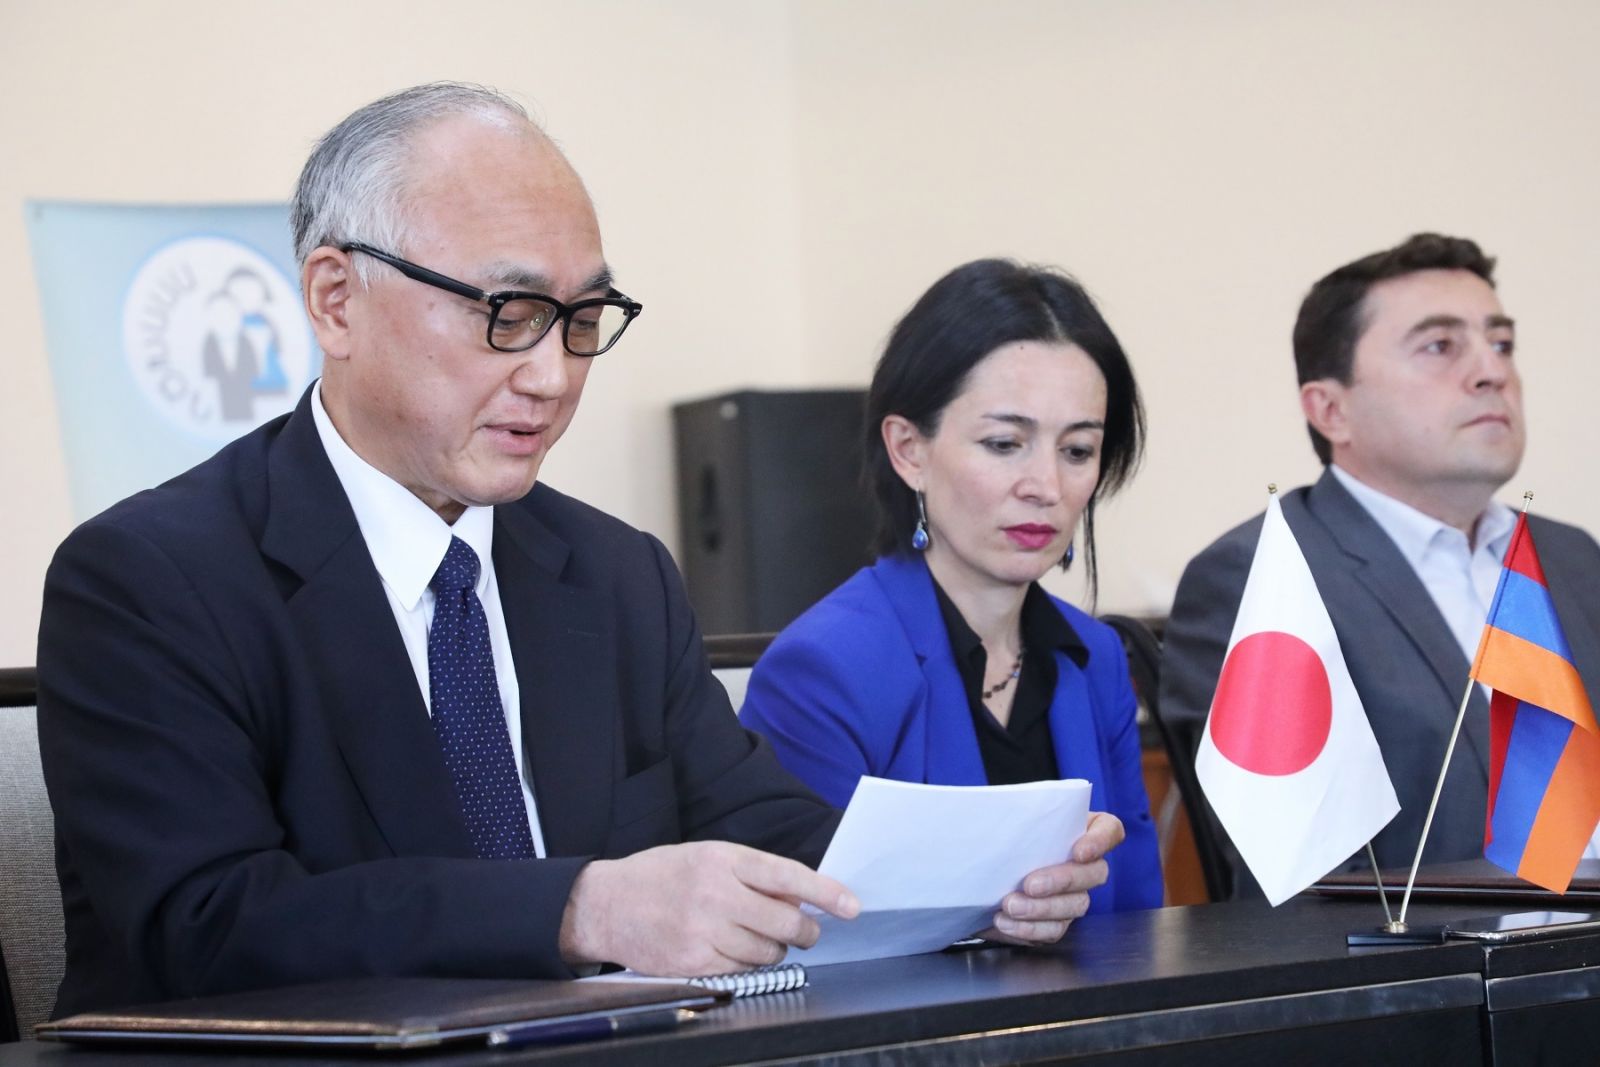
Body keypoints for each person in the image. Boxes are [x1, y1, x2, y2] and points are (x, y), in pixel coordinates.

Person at [35, 85, 1100, 1015]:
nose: (552, 375)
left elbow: (757, 826)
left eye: (583, 319)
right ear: (335, 298)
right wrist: (579, 906)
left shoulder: (615, 574)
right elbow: (206, 922)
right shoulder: (150, 579)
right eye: (508, 312)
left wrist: (968, 888)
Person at [1161, 233, 1600, 897]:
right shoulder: (1267, 575)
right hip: (1433, 960)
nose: (1491, 371)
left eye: (1502, 343)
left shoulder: (1572, 558)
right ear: (1331, 410)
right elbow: (1296, 876)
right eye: (1440, 346)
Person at [741, 259, 1163, 915]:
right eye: (1004, 443)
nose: (1046, 486)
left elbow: (1137, 915)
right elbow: (819, 931)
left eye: (1077, 451)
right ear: (909, 450)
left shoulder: (1097, 657)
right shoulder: (822, 669)